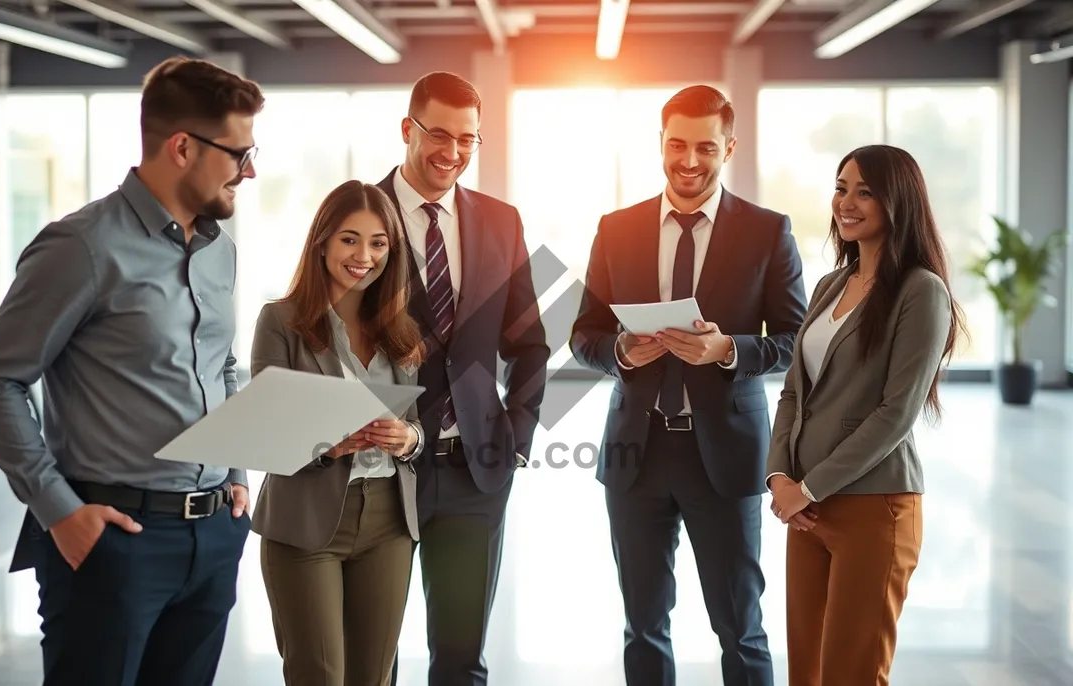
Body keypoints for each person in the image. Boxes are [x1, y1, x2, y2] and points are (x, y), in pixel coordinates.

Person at [0, 56, 263, 686]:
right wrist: (59, 512)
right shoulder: (81, 247)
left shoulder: (219, 251)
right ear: (183, 147)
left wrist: (235, 474)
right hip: (115, 541)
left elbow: (223, 365)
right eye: (240, 153)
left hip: (214, 538)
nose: (251, 169)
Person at [570, 85, 807, 686]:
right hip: (636, 454)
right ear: (661, 143)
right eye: (678, 144)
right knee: (643, 624)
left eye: (706, 147)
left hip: (725, 458)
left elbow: (796, 340)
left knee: (740, 627)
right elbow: (584, 334)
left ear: (729, 146)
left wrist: (727, 348)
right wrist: (620, 350)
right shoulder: (616, 229)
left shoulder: (766, 231)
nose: (690, 161)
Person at [766, 144, 962, 686]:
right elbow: (792, 393)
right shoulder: (831, 284)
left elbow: (896, 413)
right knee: (806, 671)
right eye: (840, 187)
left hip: (874, 508)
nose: (846, 203)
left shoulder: (921, 291)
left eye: (865, 191)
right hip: (804, 509)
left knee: (852, 673)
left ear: (897, 201)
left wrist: (809, 487)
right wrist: (780, 477)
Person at [377, 71, 549, 686]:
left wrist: (516, 438)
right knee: (374, 657)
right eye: (439, 134)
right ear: (407, 129)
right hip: (380, 472)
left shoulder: (501, 222)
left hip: (475, 470)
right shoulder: (360, 213)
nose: (453, 152)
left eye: (468, 139)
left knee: (460, 658)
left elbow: (530, 343)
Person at [248, 180, 426, 686]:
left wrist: (407, 439)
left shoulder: (400, 328)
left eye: (378, 243)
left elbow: (416, 424)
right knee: (318, 675)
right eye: (349, 239)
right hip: (306, 520)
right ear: (322, 241)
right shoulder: (280, 321)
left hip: (389, 520)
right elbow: (264, 431)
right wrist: (327, 444)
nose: (363, 256)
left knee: (373, 676)